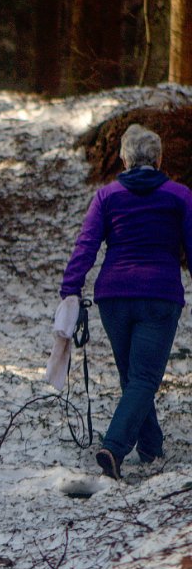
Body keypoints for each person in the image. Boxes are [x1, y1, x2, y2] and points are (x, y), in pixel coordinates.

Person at [59, 123, 192, 479]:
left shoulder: (107, 196)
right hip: (159, 297)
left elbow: (85, 245)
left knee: (134, 376)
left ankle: (151, 446)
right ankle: (115, 448)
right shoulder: (179, 196)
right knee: (144, 377)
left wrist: (71, 287)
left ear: (123, 160)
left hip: (114, 297)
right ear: (160, 159)